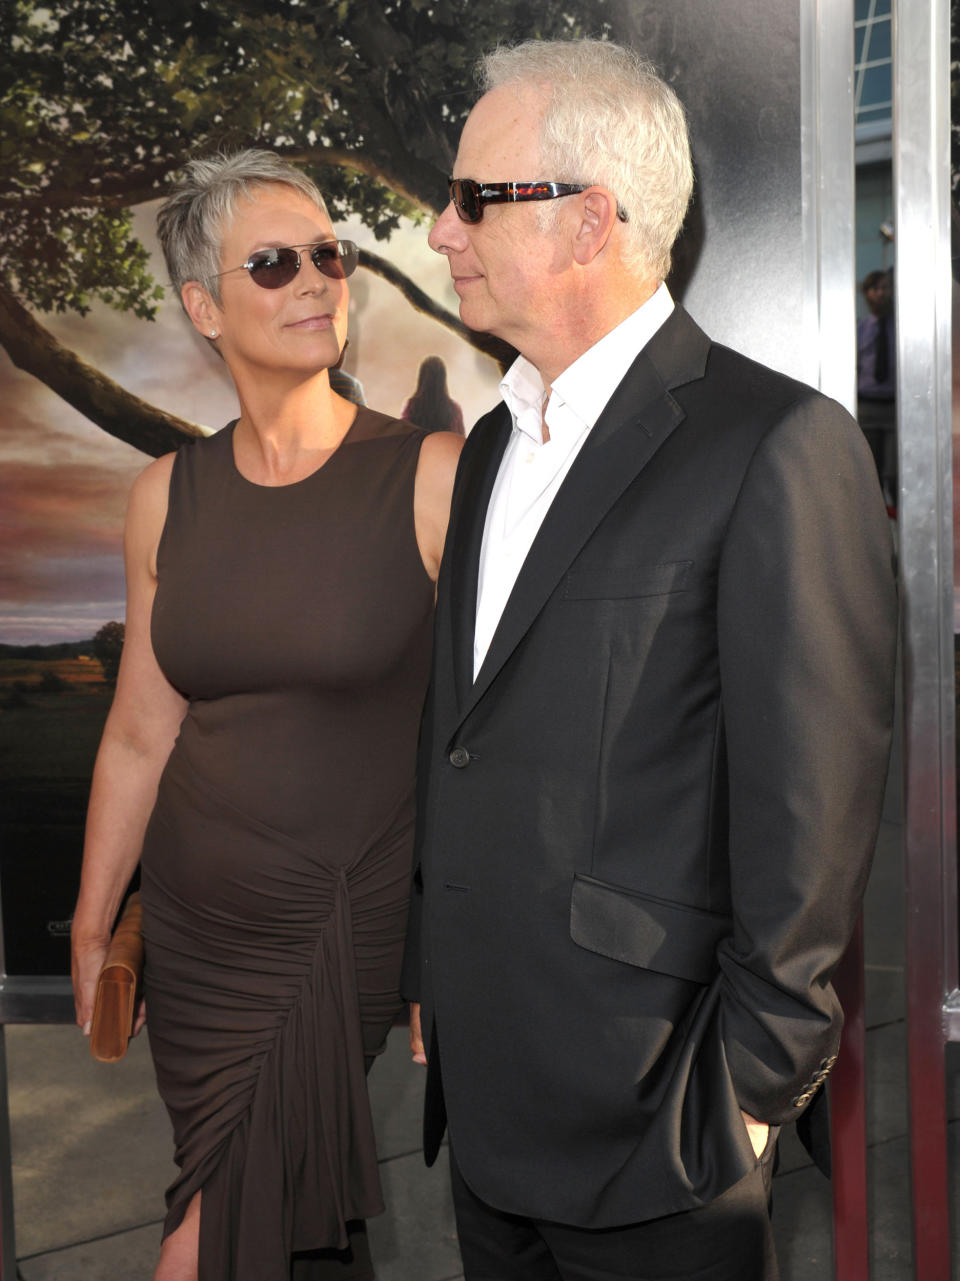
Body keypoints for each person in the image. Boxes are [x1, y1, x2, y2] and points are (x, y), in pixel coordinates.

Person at [402, 39, 897, 1281]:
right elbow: (458, 733)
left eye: (472, 196)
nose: (439, 227)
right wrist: (432, 970)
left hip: (660, 1125)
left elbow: (814, 806)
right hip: (489, 1106)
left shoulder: (778, 443)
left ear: (588, 223)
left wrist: (746, 1096)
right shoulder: (489, 452)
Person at [70, 149, 462, 1281]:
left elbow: (474, 741)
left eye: (330, 256)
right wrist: (96, 920)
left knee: (208, 1245)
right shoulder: (165, 496)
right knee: (287, 1240)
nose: (318, 280)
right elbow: (143, 730)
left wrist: (455, 934)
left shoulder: (432, 475)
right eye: (277, 262)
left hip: (339, 923)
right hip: (194, 934)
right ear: (204, 307)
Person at [856, 267, 896, 504]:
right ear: (867, 293)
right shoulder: (861, 329)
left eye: (884, 288)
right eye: (875, 289)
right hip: (867, 406)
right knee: (871, 472)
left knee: (894, 473)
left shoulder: (898, 327)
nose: (880, 293)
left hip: (893, 408)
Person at [401, 355, 465, 435]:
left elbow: (403, 435)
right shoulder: (454, 409)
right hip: (444, 447)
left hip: (418, 447)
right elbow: (460, 440)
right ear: (443, 379)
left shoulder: (411, 405)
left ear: (421, 377)